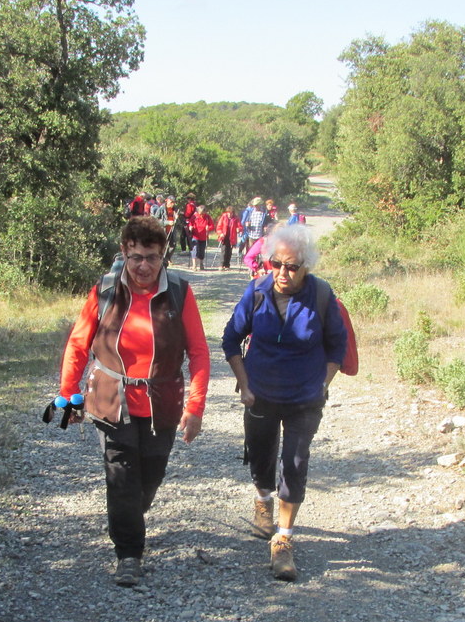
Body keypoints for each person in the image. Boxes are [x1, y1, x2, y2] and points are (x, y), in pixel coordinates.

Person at [56, 216, 210, 587]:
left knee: (150, 477)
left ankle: (129, 517)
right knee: (121, 476)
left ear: (164, 257)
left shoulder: (179, 292)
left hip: (162, 403)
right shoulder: (105, 290)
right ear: (124, 252)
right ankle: (128, 553)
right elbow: (79, 345)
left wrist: (196, 407)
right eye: (136, 256)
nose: (144, 266)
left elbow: (199, 352)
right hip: (112, 399)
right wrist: (67, 397)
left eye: (152, 257)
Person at [221, 223, 348, 581]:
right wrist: (243, 384)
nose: (282, 273)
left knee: (294, 461)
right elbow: (231, 339)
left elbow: (337, 346)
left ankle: (284, 539)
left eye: (292, 267)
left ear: (306, 267)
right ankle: (262, 497)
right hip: (259, 392)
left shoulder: (322, 295)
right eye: (276, 264)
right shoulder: (257, 291)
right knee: (261, 457)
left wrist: (323, 384)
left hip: (304, 397)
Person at [188, 204, 215, 270]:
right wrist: (190, 227)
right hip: (195, 236)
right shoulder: (195, 216)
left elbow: (212, 226)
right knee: (195, 250)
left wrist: (208, 228)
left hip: (204, 237)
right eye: (200, 213)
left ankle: (201, 263)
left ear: (205, 212)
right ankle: (194, 265)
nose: (201, 215)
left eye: (203, 213)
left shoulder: (207, 217)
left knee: (202, 251)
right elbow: (190, 223)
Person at [215, 205, 243, 270]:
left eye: (231, 213)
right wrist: (220, 233)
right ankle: (221, 265)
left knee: (229, 251)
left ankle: (227, 265)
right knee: (223, 251)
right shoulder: (223, 217)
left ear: (233, 213)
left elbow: (240, 226)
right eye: (228, 213)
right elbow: (219, 227)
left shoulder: (236, 218)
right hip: (224, 237)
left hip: (232, 237)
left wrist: (239, 229)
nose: (229, 214)